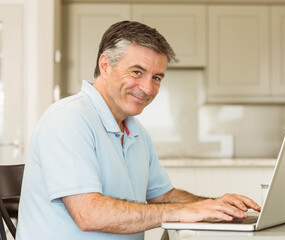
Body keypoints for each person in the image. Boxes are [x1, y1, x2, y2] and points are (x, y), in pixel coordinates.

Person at [16, 21, 261, 240]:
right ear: (105, 65)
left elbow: (163, 196)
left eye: (157, 77)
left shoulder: (136, 131)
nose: (147, 88)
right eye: (137, 72)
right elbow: (89, 214)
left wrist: (214, 205)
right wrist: (184, 212)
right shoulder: (68, 119)